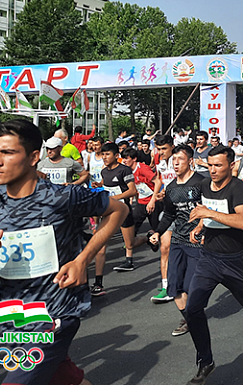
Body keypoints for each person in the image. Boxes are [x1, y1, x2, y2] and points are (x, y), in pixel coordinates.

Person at [0, 119, 128, 385]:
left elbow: (119, 210)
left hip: (57, 312)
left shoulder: (62, 197)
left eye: (8, 153)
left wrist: (82, 260)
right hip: (13, 315)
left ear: (33, 157)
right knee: (63, 376)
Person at [185, 146, 243, 384]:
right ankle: (205, 361)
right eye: (210, 165)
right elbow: (207, 212)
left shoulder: (237, 188)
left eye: (218, 165)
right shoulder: (205, 185)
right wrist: (200, 225)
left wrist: (209, 213)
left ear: (231, 165)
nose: (213, 170)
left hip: (235, 260)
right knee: (193, 309)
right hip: (209, 258)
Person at [149, 144, 204, 337]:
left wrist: (202, 228)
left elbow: (211, 209)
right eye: (173, 160)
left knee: (190, 286)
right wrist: (158, 232)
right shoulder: (171, 188)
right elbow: (169, 215)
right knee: (174, 287)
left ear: (190, 161)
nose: (176, 163)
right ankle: (190, 320)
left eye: (180, 159)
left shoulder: (201, 183)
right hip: (178, 241)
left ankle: (193, 320)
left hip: (197, 242)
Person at [91, 143, 138, 295]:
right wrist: (99, 185)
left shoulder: (124, 170)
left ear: (116, 156)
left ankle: (148, 238)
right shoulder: (104, 171)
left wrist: (115, 198)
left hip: (123, 211)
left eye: (107, 154)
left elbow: (132, 190)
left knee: (130, 243)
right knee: (100, 247)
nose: (104, 157)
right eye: (103, 154)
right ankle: (98, 284)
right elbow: (106, 185)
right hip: (108, 212)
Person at [147, 134, 178, 303]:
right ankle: (166, 286)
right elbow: (161, 181)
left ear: (172, 146)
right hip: (168, 211)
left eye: (164, 148)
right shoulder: (161, 163)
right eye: (158, 149)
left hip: (184, 212)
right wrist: (155, 197)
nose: (161, 152)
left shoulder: (179, 161)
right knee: (165, 248)